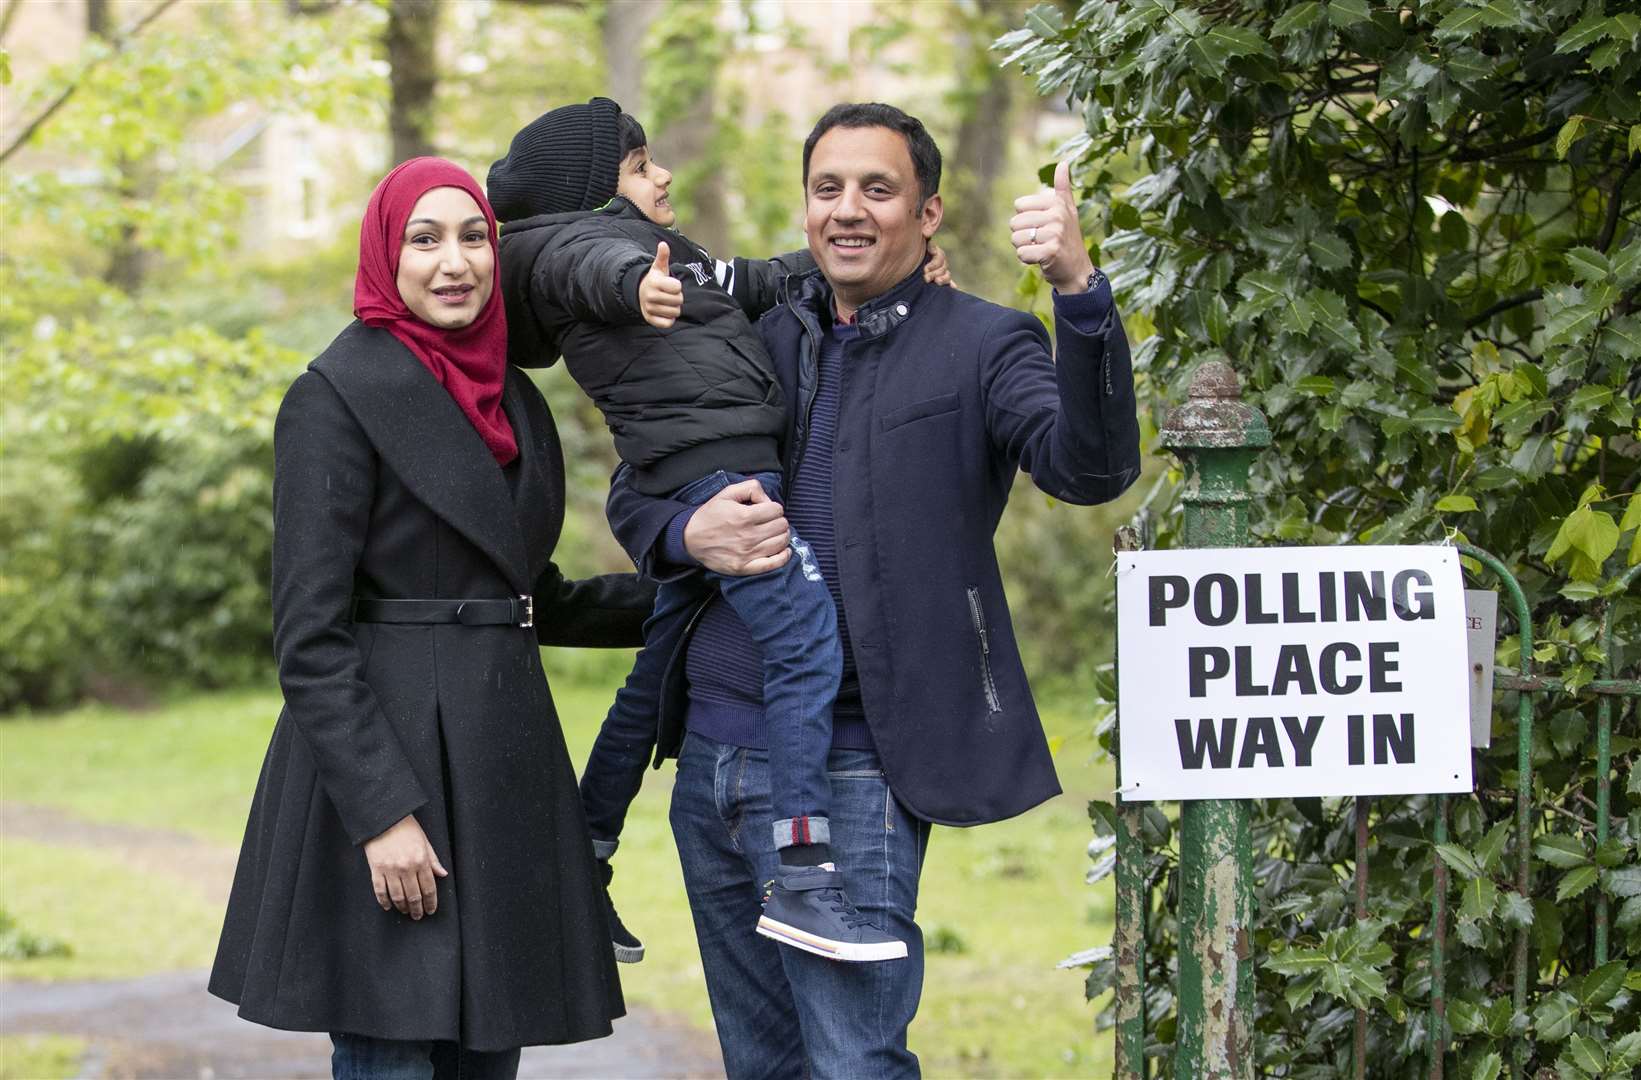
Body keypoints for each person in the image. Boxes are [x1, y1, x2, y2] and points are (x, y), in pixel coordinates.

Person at [603, 102, 1142, 1077]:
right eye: (828, 188)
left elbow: (1088, 469)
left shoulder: (984, 343)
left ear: (928, 213)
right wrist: (687, 529)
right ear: (805, 208)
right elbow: (639, 488)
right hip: (712, 767)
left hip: (855, 772)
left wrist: (1078, 289)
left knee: (854, 1063)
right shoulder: (754, 334)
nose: (849, 210)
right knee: (763, 1066)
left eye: (878, 189)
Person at [208, 157, 654, 1080]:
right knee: (393, 1050)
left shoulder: (516, 401)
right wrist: (381, 815)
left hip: (500, 773)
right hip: (390, 774)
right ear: (386, 255)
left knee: (490, 1055)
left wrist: (691, 588)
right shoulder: (334, 397)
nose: (453, 262)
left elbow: (527, 593)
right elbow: (310, 637)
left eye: (472, 238)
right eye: (424, 239)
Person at [486, 98, 948, 965]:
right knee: (808, 640)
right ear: (594, 191)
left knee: (654, 668)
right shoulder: (584, 250)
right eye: (637, 165)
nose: (661, 175)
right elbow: (586, 269)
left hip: (713, 465)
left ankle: (580, 855)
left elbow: (759, 281)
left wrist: (901, 270)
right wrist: (634, 287)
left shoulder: (675, 259)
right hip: (710, 474)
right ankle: (807, 874)